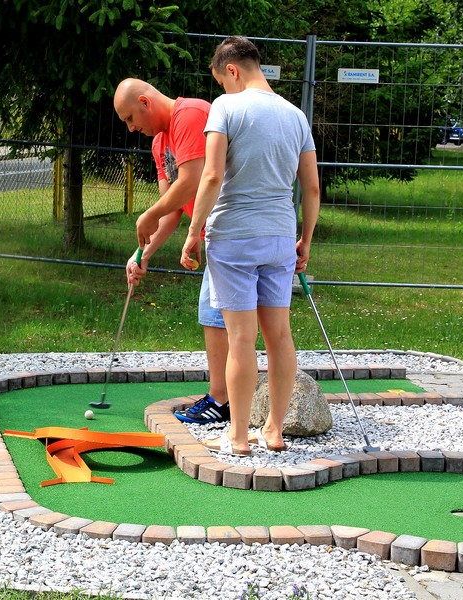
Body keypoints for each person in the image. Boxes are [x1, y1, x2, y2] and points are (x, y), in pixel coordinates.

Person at [180, 36, 320, 455]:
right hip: (280, 237)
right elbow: (312, 188)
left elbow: (211, 176)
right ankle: (274, 430)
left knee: (241, 338)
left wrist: (194, 231)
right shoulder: (296, 115)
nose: (224, 88)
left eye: (222, 80)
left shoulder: (226, 107)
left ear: (232, 70)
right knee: (280, 336)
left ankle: (238, 436)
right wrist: (305, 239)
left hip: (234, 236)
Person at [113, 78, 230, 424]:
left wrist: (148, 215)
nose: (132, 128)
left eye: (130, 118)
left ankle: (221, 401)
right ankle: (225, 398)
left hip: (232, 227)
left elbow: (192, 180)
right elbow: (172, 207)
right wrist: (142, 255)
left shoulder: (189, 114)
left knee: (216, 315)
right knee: (216, 315)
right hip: (215, 233)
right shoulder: (160, 143)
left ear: (145, 102)